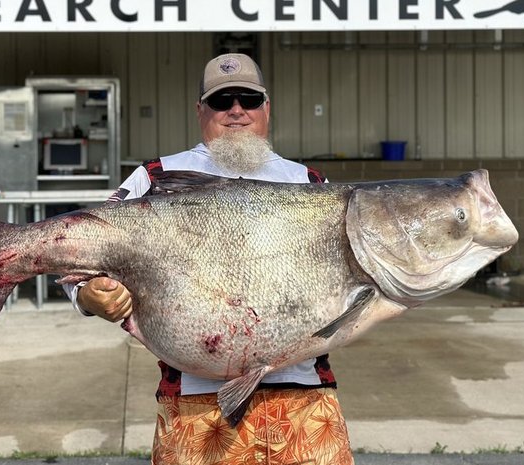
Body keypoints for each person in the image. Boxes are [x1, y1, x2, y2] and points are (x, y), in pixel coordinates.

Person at [67, 53, 354, 465]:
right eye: (222, 101)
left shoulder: (308, 183)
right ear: (201, 110)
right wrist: (88, 296)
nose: (237, 111)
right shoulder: (156, 177)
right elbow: (79, 249)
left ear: (266, 108)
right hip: (195, 405)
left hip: (304, 398)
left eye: (248, 99)